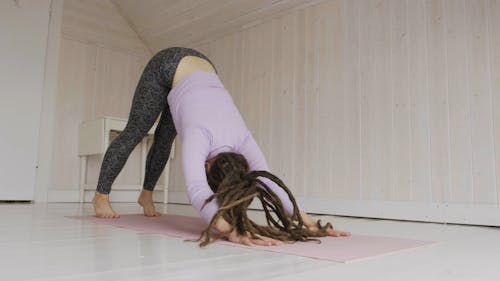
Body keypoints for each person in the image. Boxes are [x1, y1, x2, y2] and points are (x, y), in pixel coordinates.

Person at [92, 47, 350, 246]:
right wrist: (231, 230)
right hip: (169, 64)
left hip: (204, 68)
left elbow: (269, 181)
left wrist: (309, 222)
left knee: (164, 140)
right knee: (135, 131)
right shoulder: (198, 136)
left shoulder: (242, 139)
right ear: (207, 165)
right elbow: (196, 188)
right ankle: (101, 197)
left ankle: (145, 196)